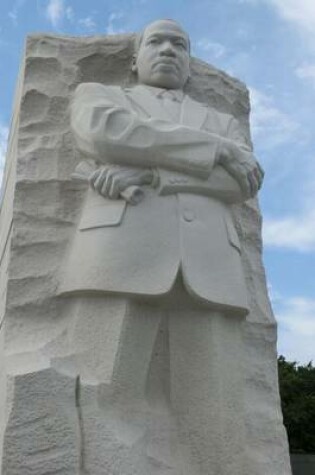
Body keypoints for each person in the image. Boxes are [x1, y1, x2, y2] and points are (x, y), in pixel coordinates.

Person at [59, 19, 263, 475]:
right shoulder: (102, 96)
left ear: (190, 63)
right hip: (120, 254)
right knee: (104, 391)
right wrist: (215, 149)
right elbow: (105, 133)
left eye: (180, 45)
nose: (168, 49)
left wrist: (151, 174)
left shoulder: (225, 119)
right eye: (156, 41)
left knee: (218, 412)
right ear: (135, 59)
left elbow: (240, 182)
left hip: (211, 266)